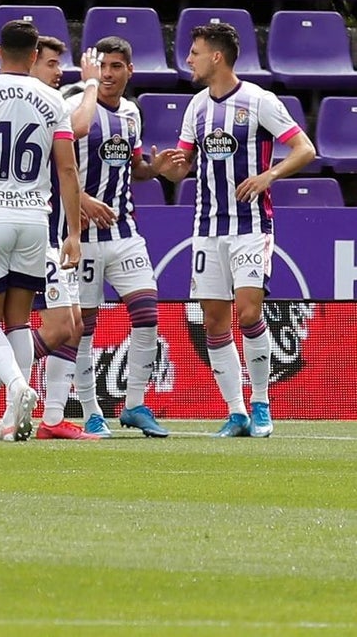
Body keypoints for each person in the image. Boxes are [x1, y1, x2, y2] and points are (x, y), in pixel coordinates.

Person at [161, 23, 316, 438]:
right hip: (207, 228)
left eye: (194, 52)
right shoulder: (196, 107)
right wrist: (169, 169)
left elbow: (304, 149)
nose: (188, 59)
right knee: (214, 322)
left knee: (248, 312)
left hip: (251, 226)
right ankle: (236, 411)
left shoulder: (258, 101)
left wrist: (270, 175)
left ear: (217, 57)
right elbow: (185, 167)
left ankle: (262, 402)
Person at [0, 36, 102, 440]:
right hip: (36, 219)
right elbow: (67, 171)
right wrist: (72, 232)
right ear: (34, 55)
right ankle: (10, 420)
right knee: (19, 320)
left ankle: (15, 386)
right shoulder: (51, 99)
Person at [64, 36, 174, 438]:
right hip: (84, 237)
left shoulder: (131, 113)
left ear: (130, 70)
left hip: (125, 232)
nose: (108, 74)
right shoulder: (75, 107)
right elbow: (55, 167)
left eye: (116, 67)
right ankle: (92, 410)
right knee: (84, 326)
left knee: (147, 316)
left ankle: (135, 404)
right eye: (102, 67)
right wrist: (84, 201)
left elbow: (133, 167)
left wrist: (153, 167)